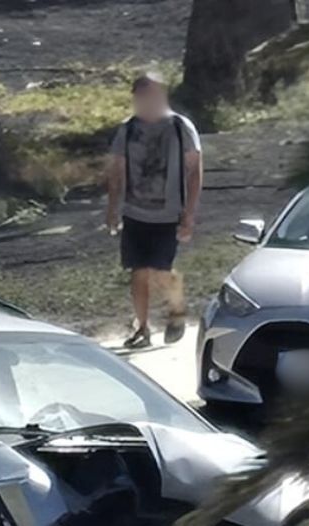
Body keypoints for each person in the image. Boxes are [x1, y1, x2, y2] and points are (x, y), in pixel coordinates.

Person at [105, 72, 203, 349]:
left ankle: (176, 309)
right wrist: (112, 208)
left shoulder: (180, 127)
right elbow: (116, 170)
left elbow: (194, 171)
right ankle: (143, 328)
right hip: (135, 213)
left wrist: (189, 214)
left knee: (160, 271)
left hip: (169, 213)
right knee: (138, 272)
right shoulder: (128, 129)